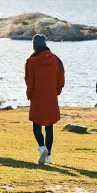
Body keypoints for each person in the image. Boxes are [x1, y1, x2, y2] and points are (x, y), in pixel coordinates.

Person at [24, 34, 64, 165]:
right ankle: (49, 156)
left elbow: (30, 82)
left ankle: (42, 147)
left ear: (34, 45)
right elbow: (61, 80)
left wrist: (29, 95)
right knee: (49, 126)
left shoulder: (31, 61)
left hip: (37, 96)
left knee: (36, 125)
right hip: (51, 97)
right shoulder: (56, 60)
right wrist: (56, 92)